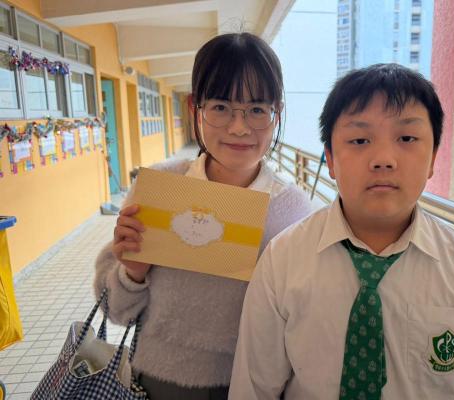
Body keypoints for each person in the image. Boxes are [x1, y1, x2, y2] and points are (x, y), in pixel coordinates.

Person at [229, 63, 454, 399]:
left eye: (407, 138)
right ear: (330, 159)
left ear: (433, 158)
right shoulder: (282, 261)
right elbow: (253, 389)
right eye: (359, 140)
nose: (384, 159)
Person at [94, 32, 313, 400]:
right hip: (158, 382)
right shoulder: (160, 187)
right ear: (196, 106)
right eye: (221, 107)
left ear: (277, 113)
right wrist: (132, 272)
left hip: (256, 384)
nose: (239, 127)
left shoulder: (294, 209)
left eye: (257, 109)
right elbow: (115, 311)